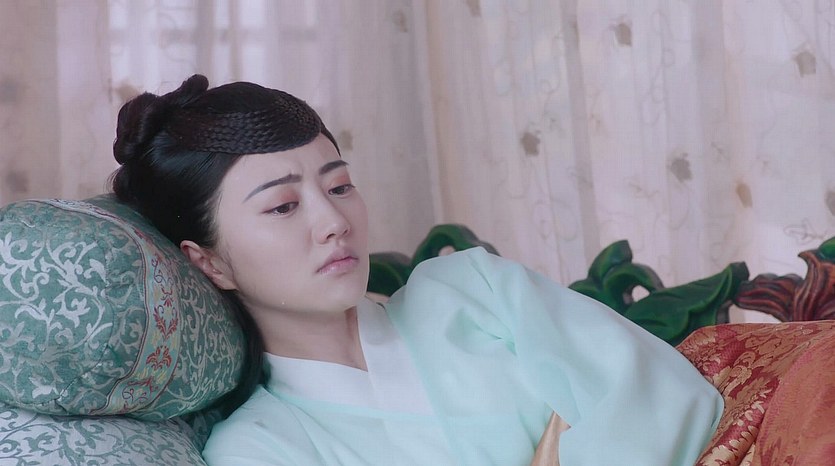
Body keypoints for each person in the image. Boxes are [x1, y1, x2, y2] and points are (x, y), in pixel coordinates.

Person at [111, 74, 723, 465]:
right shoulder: (262, 448)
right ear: (209, 261)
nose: (334, 221)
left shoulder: (476, 293)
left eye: (340, 186)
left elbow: (665, 397)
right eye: (283, 206)